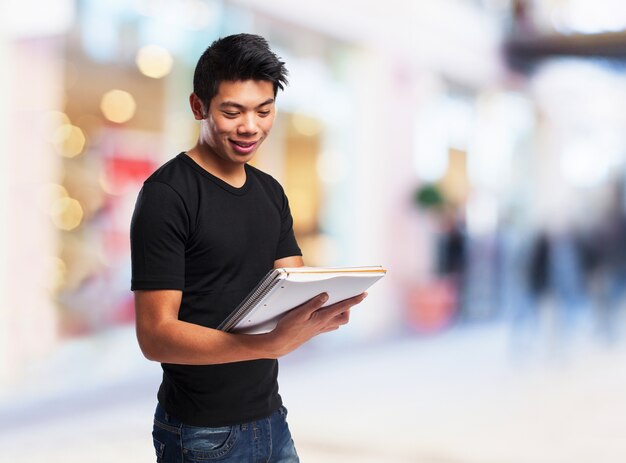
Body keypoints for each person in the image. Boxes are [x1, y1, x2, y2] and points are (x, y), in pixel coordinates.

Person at [130, 33, 366, 462]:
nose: (250, 127)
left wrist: (321, 308)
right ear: (199, 106)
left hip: (271, 418)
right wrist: (266, 345)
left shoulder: (271, 192)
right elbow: (154, 336)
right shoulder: (168, 194)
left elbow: (290, 284)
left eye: (264, 110)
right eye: (232, 111)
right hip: (200, 434)